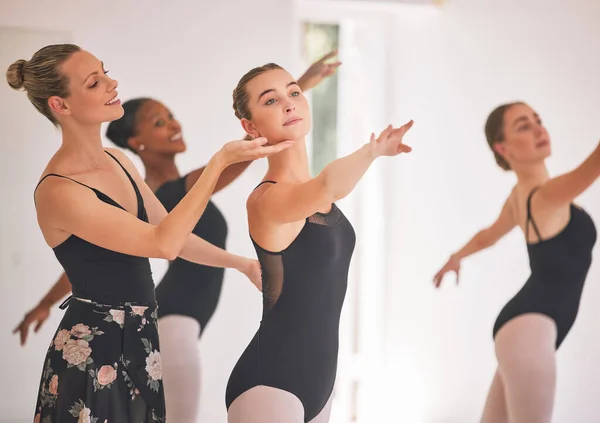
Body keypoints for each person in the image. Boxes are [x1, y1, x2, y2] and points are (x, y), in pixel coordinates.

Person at [13, 51, 341, 423]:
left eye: (105, 73)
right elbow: (164, 244)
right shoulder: (58, 190)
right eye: (94, 82)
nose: (112, 83)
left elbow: (174, 235)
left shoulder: (117, 160)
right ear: (60, 104)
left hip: (142, 338)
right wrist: (219, 161)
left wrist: (242, 264)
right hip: (92, 351)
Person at [224, 62, 414, 423]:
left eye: (294, 93)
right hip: (270, 386)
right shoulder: (266, 200)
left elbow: (324, 188)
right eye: (271, 100)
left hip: (321, 381)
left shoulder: (315, 197)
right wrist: (372, 151)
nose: (289, 103)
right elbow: (328, 184)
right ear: (250, 127)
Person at [433, 102, 599, 423]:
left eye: (538, 120)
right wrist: (456, 257)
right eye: (524, 126)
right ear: (503, 147)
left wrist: (455, 257)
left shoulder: (519, 197)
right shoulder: (547, 195)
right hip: (528, 331)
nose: (538, 129)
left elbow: (487, 236)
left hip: (522, 331)